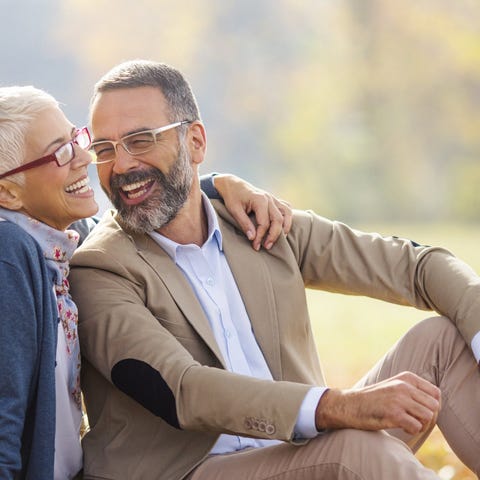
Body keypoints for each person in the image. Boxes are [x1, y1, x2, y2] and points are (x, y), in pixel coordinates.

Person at [69, 59, 480, 480]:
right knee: (352, 450)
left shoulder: (260, 221)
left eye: (140, 140)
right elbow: (184, 390)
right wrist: (339, 407)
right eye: (104, 149)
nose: (119, 166)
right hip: (190, 471)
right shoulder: (99, 268)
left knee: (443, 342)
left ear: (195, 142)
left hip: (299, 450)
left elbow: (416, 266)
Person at [0, 85, 291, 480]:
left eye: (77, 138)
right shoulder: (9, 254)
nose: (85, 157)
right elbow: (4, 426)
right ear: (6, 191)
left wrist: (215, 185)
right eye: (61, 152)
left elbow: (127, 218)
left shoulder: (63, 244)